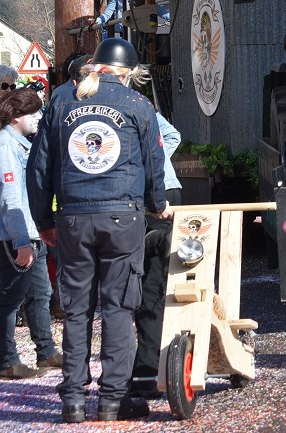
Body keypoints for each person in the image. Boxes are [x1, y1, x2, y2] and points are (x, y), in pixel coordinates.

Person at [28, 37, 169, 424]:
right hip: (123, 217)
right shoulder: (138, 105)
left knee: (76, 311)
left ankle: (72, 401)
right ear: (127, 74)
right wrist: (158, 205)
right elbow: (153, 164)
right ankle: (113, 400)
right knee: (119, 309)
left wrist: (44, 222)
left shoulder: (60, 99)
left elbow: (38, 168)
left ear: (94, 65)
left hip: (72, 217)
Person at [0, 90, 61, 380]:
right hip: (11, 234)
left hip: (29, 231)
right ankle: (9, 361)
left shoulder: (20, 143)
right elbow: (10, 199)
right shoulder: (5, 148)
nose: (38, 118)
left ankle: (46, 353)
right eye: (32, 113)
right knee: (11, 297)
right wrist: (21, 241)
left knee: (41, 293)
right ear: (15, 118)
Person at [129, 110, 182, 399]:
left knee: (151, 287)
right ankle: (147, 367)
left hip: (155, 200)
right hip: (138, 200)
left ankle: (149, 368)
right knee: (144, 289)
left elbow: (172, 136)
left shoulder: (139, 106)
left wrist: (156, 162)